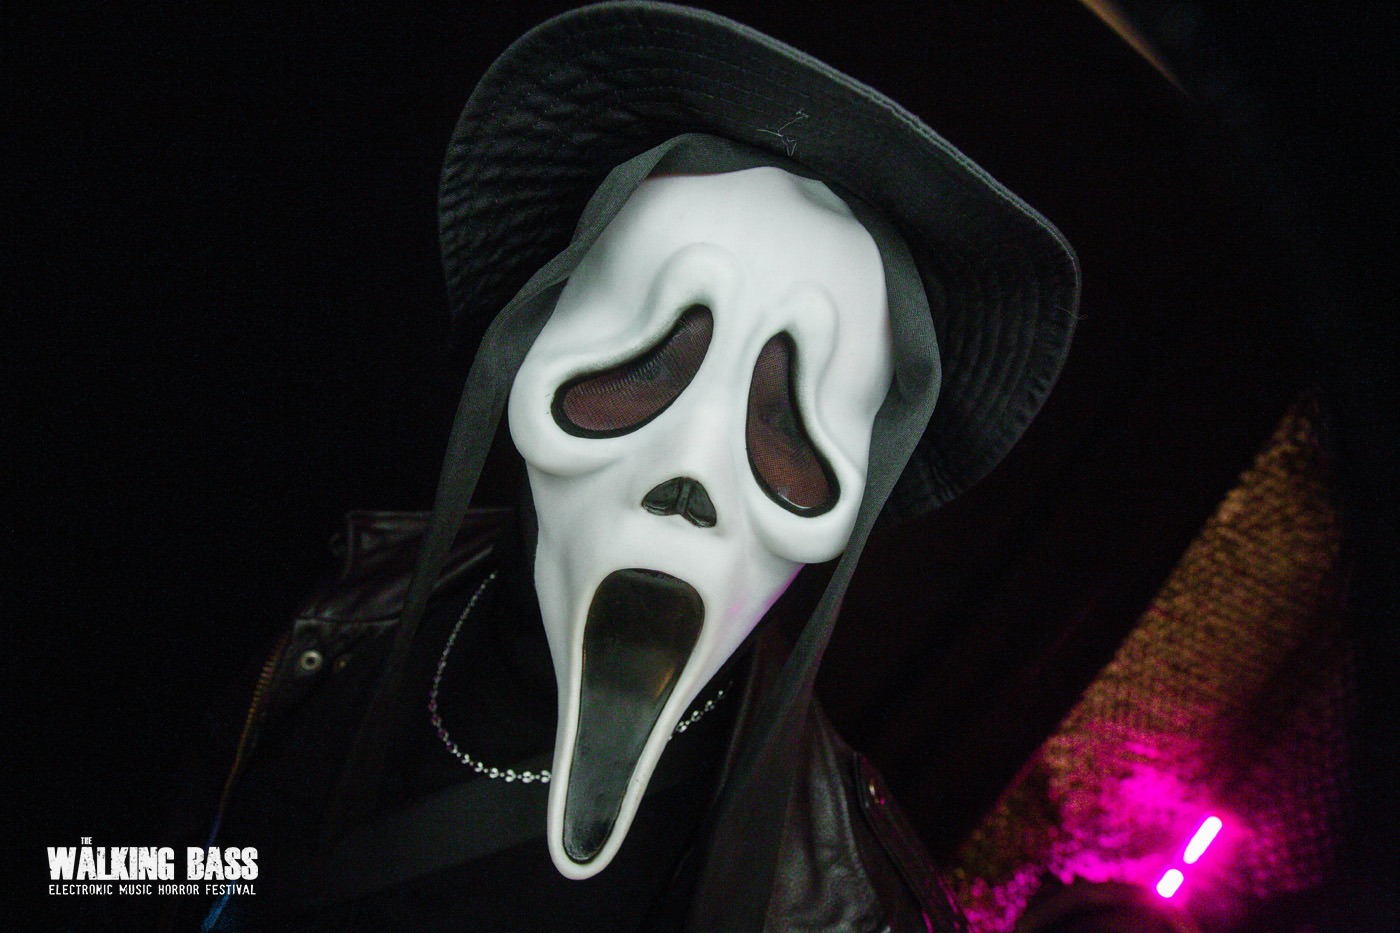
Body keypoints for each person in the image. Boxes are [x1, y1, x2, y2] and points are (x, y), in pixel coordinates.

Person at [166, 4, 1078, 930]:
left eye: (785, 423)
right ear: (529, 355)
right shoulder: (351, 599)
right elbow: (170, 863)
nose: (691, 474)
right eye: (647, 365)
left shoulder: (847, 907)